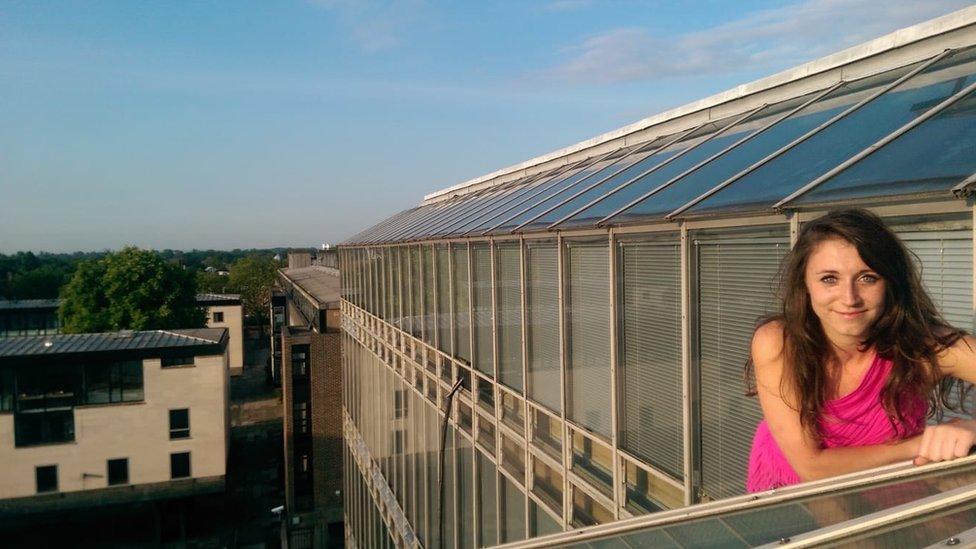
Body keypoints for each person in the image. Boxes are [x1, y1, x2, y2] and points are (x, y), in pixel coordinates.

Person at [746, 209, 976, 492]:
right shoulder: (780, 343)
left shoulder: (926, 349)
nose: (849, 298)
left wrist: (972, 429)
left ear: (891, 282)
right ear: (805, 284)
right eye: (829, 279)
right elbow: (812, 468)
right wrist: (919, 444)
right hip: (789, 502)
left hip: (886, 498)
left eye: (867, 278)